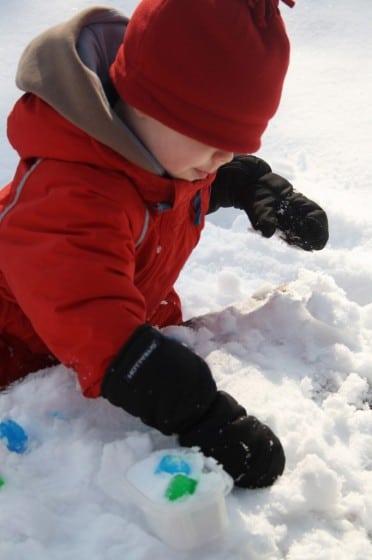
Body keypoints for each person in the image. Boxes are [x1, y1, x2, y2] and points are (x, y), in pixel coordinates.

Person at [0, 0, 328, 488]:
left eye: (237, 145)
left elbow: (187, 189)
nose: (222, 158)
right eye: (213, 141)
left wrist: (254, 187)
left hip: (124, 340)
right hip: (21, 363)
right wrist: (202, 415)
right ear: (148, 103)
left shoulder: (161, 149)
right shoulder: (70, 198)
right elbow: (99, 328)